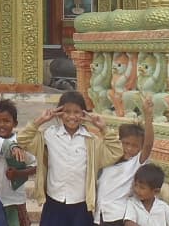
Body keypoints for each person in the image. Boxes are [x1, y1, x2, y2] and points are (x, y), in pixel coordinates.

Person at [17, 91, 120, 226]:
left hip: (81, 204)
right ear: (59, 113)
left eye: (77, 112)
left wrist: (103, 129)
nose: (72, 116)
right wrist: (40, 121)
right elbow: (22, 140)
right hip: (54, 201)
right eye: (67, 112)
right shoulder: (49, 135)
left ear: (83, 114)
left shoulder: (92, 140)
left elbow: (116, 151)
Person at [94, 97, 156, 225]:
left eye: (134, 146)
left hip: (118, 216)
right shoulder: (109, 160)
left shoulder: (136, 163)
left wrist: (148, 116)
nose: (129, 148)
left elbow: (148, 144)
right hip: (99, 215)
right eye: (126, 143)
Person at [0, 99, 37, 226]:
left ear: (15, 123)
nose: (2, 125)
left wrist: (18, 173)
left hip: (13, 200)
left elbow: (35, 166)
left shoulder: (21, 142)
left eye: (6, 121)